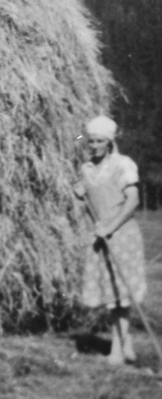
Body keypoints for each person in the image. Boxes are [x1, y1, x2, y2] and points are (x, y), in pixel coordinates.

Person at [74, 115, 147, 366]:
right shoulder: (86, 169)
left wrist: (111, 227)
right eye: (90, 141)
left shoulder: (123, 164)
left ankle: (116, 351)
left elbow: (133, 200)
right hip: (101, 238)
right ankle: (126, 346)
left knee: (121, 295)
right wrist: (81, 197)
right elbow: (92, 208)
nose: (93, 146)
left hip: (122, 236)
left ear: (109, 142)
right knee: (111, 295)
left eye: (98, 142)